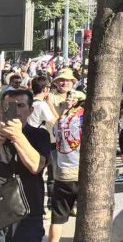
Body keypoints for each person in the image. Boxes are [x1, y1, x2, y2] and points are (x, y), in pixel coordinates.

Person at [0, 88, 49, 242]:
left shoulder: (40, 135)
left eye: (20, 106)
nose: (16, 112)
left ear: (30, 110)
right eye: (9, 107)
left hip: (28, 213)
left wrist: (17, 136)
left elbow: (36, 166)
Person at [47, 91, 86, 242]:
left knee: (57, 217)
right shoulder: (83, 118)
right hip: (81, 172)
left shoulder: (60, 120)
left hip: (62, 174)